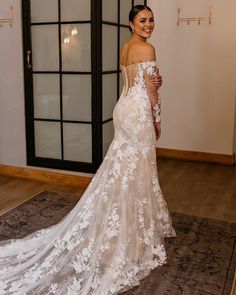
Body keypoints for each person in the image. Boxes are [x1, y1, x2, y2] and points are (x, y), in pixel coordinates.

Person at [0, 5, 176, 295]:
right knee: (136, 170)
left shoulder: (126, 47)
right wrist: (157, 119)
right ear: (131, 24)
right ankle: (129, 233)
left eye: (151, 20)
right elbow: (151, 90)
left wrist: (153, 85)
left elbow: (135, 83)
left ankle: (119, 225)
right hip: (139, 113)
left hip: (123, 110)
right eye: (142, 20)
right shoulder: (148, 49)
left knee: (122, 170)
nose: (148, 24)